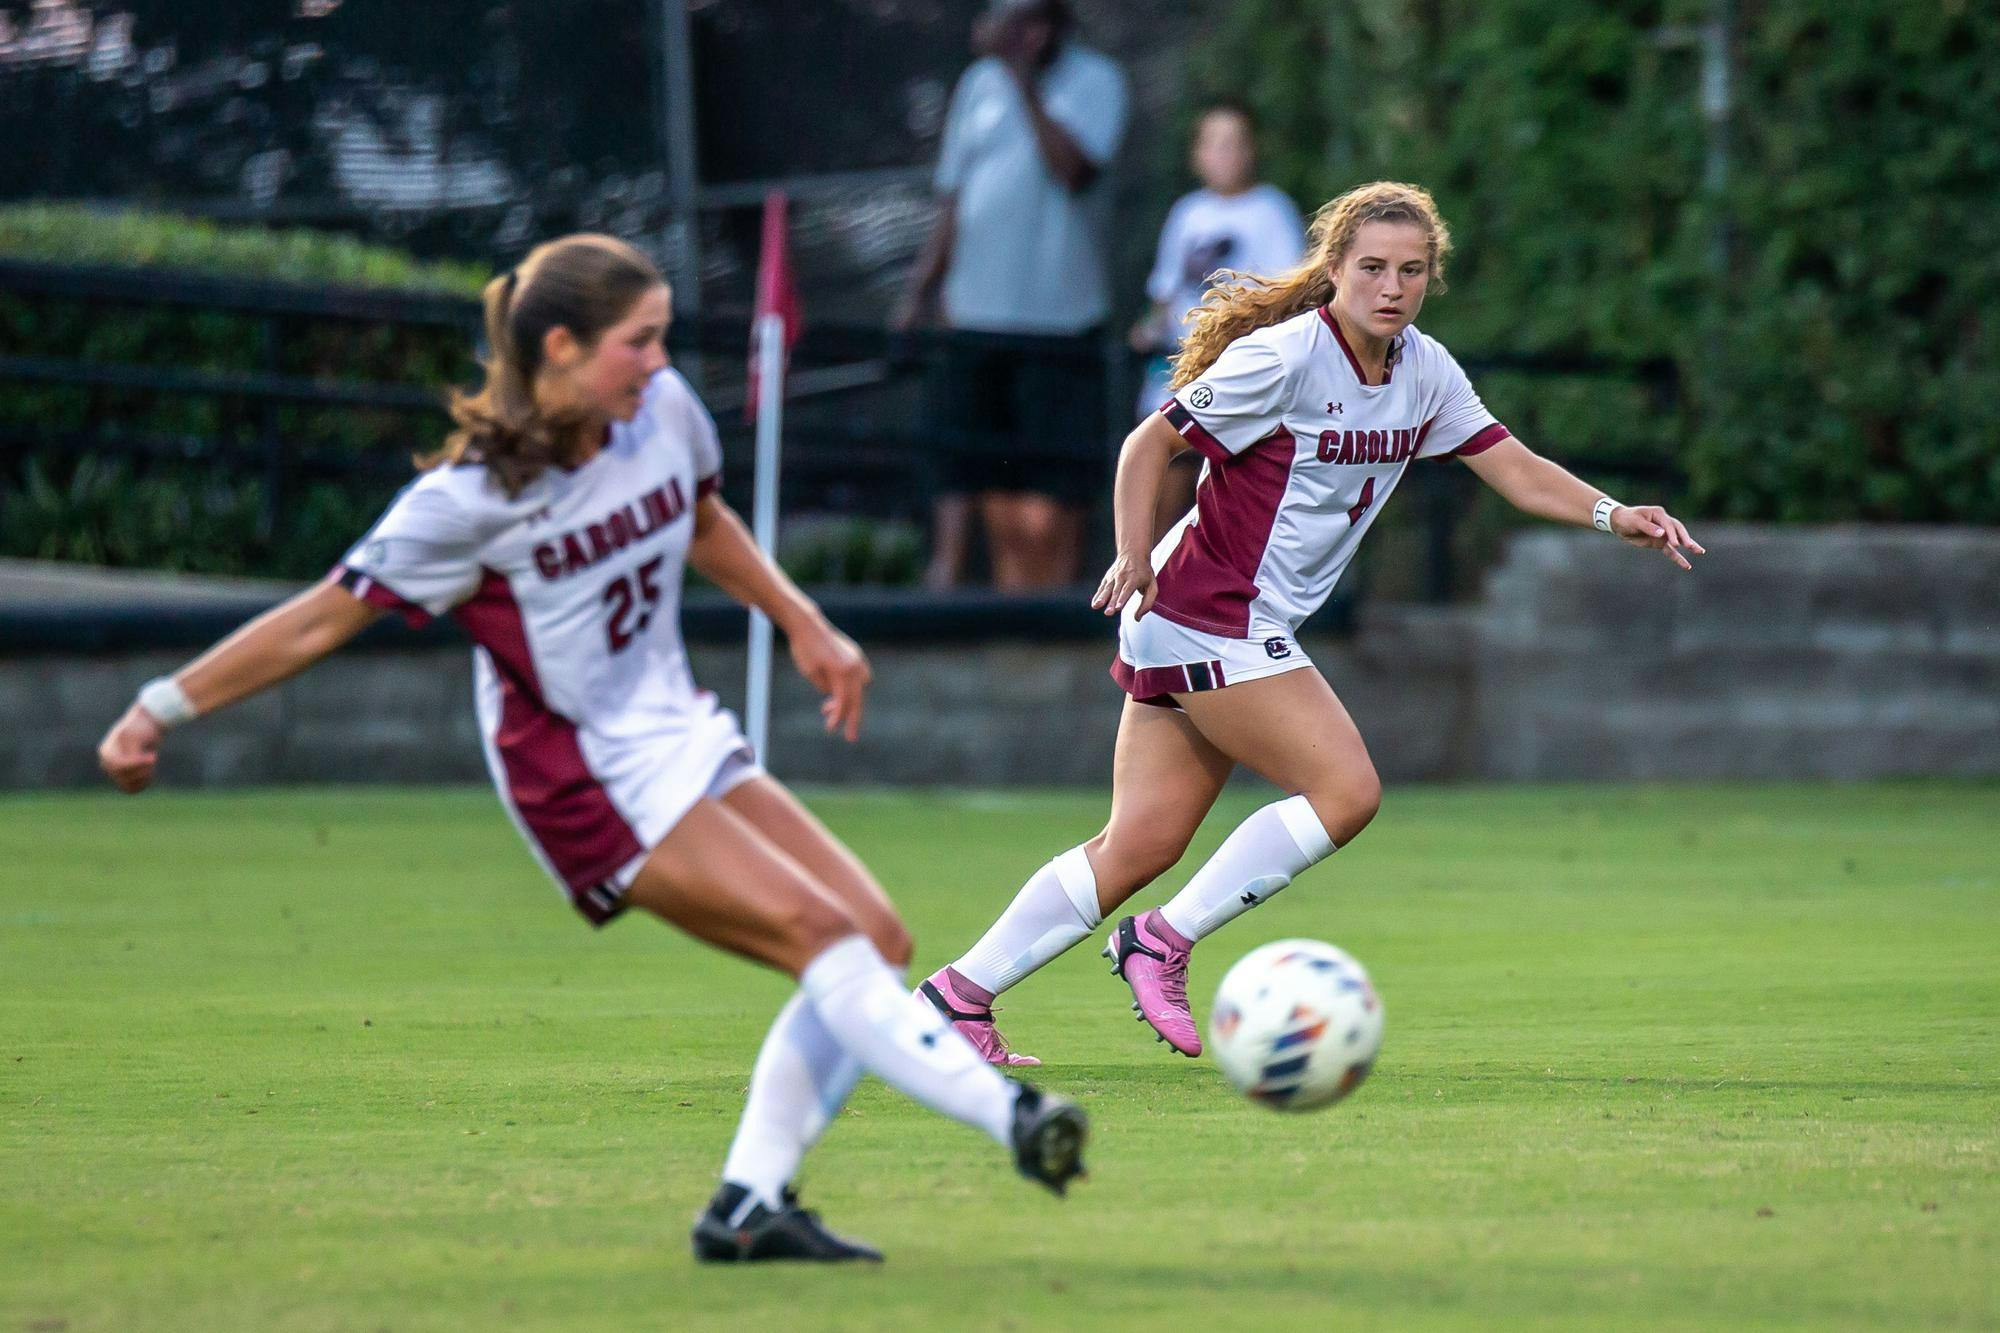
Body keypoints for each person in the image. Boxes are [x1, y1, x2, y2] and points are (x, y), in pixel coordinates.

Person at [94, 234, 1088, 1262]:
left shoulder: (658, 413)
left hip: (676, 728)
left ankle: (747, 1205)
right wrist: (159, 706)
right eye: (637, 341)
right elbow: (317, 619)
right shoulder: (468, 501)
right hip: (580, 779)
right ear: (559, 347)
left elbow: (701, 520)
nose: (659, 363)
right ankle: (1009, 1116)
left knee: (874, 938)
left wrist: (801, 619)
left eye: (660, 337)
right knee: (824, 938)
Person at [918, 182, 1702, 1065]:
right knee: (1347, 791)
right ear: (1334, 270)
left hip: (1212, 621)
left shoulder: (1425, 369)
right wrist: (1133, 552)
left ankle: (956, 997)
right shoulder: (1288, 357)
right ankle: (1160, 943)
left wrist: (1613, 513)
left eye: (1411, 270)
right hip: (1209, 612)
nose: (1391, 286)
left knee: (1139, 843)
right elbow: (1151, 443)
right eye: (1371, 267)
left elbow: (1514, 469)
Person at [896, 0, 1128, 591]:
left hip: (1059, 318)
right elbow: (953, 197)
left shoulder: (1098, 81)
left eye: (1032, 21)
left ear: (1054, 25)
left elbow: (1073, 170)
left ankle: (1061, 604)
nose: (1020, 35)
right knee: (973, 463)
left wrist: (1024, 82)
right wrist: (921, 288)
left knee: (1057, 483)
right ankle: (962, 585)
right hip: (975, 314)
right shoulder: (977, 84)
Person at [1130, 102, 1306, 542]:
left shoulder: (1272, 211)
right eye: (1214, 143)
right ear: (1197, 153)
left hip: (1236, 372)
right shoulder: (1187, 212)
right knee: (1160, 477)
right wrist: (1148, 329)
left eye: (1234, 143)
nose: (1224, 154)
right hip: (1175, 369)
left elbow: (1288, 295)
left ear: (1251, 150)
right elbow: (1165, 293)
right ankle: (1146, 584)